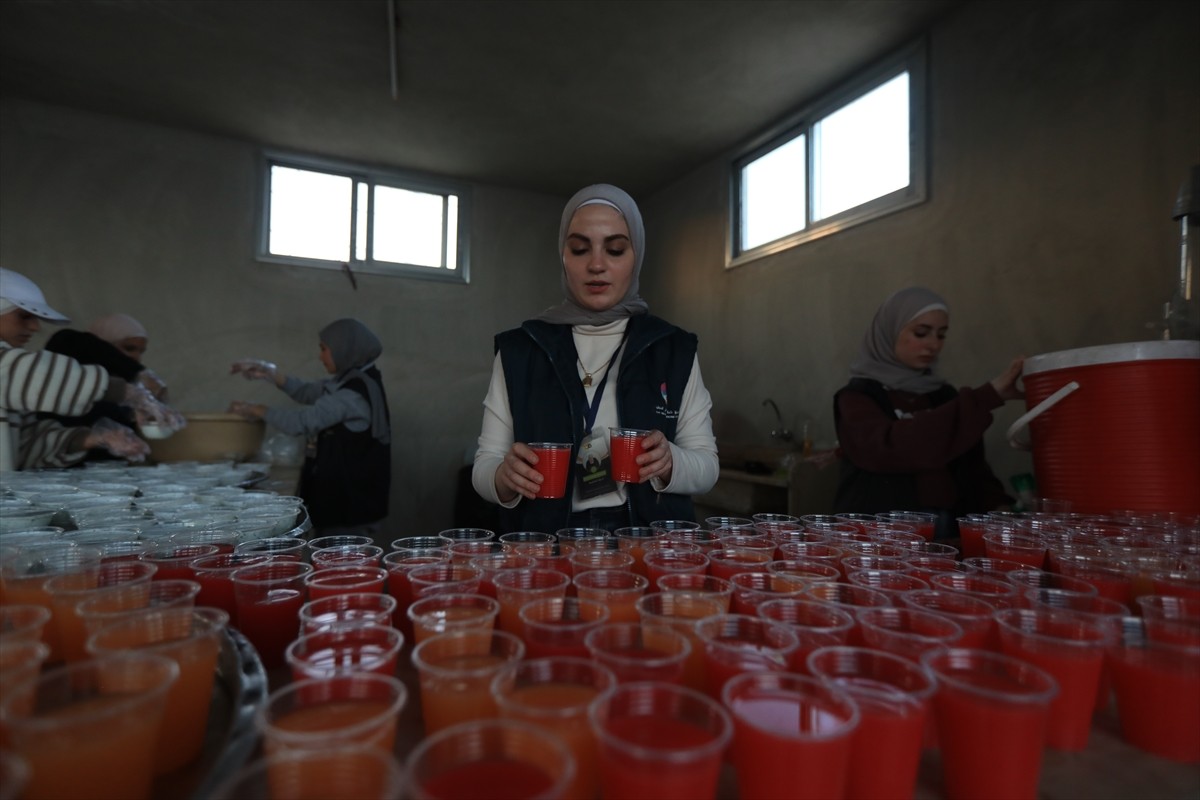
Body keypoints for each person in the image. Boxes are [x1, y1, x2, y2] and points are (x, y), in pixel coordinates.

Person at [472, 183, 719, 534]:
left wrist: (670, 462)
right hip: (547, 542)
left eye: (615, 250)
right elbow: (485, 465)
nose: (597, 264)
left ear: (637, 256)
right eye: (579, 249)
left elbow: (707, 466)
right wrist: (503, 477)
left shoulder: (671, 348)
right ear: (563, 256)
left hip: (647, 542)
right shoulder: (521, 349)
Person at [832, 286, 1023, 538]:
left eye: (941, 335)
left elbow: (971, 465)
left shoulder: (943, 396)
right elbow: (892, 447)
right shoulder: (858, 396)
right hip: (878, 533)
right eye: (921, 333)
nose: (933, 345)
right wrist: (987, 396)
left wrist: (998, 507)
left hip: (946, 530)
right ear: (889, 332)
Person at [228, 318, 391, 536]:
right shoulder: (353, 379)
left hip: (350, 508)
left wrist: (255, 409)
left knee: (341, 566)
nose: (320, 356)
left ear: (344, 350)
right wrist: (271, 373)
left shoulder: (351, 394)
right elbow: (309, 391)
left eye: (324, 349)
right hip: (344, 501)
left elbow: (302, 423)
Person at [0, 268, 155, 470]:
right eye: (24, 316)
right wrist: (127, 391)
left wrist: (89, 439)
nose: (35, 327)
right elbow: (27, 369)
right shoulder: (12, 368)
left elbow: (24, 446)